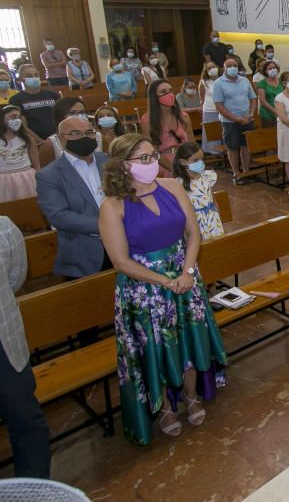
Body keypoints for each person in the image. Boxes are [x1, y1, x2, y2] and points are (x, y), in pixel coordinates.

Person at [98, 134, 227, 443]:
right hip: (145, 288)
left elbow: (193, 233)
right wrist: (165, 281)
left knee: (189, 337)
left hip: (184, 275)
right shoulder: (113, 206)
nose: (151, 163)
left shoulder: (171, 186)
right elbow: (120, 261)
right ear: (123, 165)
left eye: (153, 155)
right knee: (156, 345)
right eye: (143, 159)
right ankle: (166, 406)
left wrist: (187, 272)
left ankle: (191, 395)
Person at [0, 215, 50, 478]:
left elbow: (15, 278)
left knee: (27, 421)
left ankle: (35, 490)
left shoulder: (4, 228)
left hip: (4, 343)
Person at [35, 115, 109, 278]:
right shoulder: (49, 175)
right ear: (61, 140)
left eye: (89, 132)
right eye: (75, 133)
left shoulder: (109, 162)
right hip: (84, 255)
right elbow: (59, 216)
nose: (84, 137)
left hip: (126, 246)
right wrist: (108, 225)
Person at [213, 59, 257, 183]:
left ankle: (246, 171)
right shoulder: (219, 83)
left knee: (246, 145)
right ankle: (236, 173)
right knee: (232, 147)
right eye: (230, 66)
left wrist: (251, 113)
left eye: (235, 66)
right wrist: (235, 118)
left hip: (247, 118)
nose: (233, 68)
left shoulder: (244, 80)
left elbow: (253, 98)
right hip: (229, 121)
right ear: (224, 68)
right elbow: (219, 105)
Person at [141, 80, 194, 178]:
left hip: (185, 161)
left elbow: (192, 144)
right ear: (154, 97)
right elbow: (153, 152)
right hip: (163, 164)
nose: (169, 94)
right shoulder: (147, 120)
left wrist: (192, 164)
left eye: (170, 91)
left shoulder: (184, 116)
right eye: (163, 92)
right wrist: (174, 169)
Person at [173, 142, 224, 241]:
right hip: (195, 224)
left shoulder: (207, 176)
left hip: (213, 221)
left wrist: (219, 220)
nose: (200, 163)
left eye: (202, 159)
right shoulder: (178, 184)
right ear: (183, 162)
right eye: (195, 160)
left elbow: (213, 201)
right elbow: (180, 212)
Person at [10, 66, 60, 142]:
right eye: (29, 76)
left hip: (58, 137)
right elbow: (24, 127)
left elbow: (62, 118)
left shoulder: (53, 95)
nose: (34, 78)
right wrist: (42, 142)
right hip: (34, 141)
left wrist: (57, 138)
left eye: (36, 75)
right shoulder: (15, 100)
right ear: (20, 80)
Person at [0, 107, 39, 202]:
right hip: (4, 181)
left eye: (18, 117)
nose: (16, 120)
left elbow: (36, 165)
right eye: (12, 117)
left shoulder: (27, 139)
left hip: (27, 179)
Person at [199, 62, 223, 157]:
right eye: (209, 68)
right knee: (212, 132)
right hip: (209, 110)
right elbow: (202, 98)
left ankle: (225, 153)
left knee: (223, 131)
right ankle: (215, 153)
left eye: (213, 67)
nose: (212, 69)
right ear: (206, 71)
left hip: (223, 109)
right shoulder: (203, 82)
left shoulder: (222, 80)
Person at [256, 60, 283, 129]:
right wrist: (276, 112)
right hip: (268, 115)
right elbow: (263, 102)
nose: (273, 70)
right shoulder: (262, 84)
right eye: (270, 68)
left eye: (274, 68)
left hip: (282, 111)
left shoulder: (281, 81)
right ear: (265, 71)